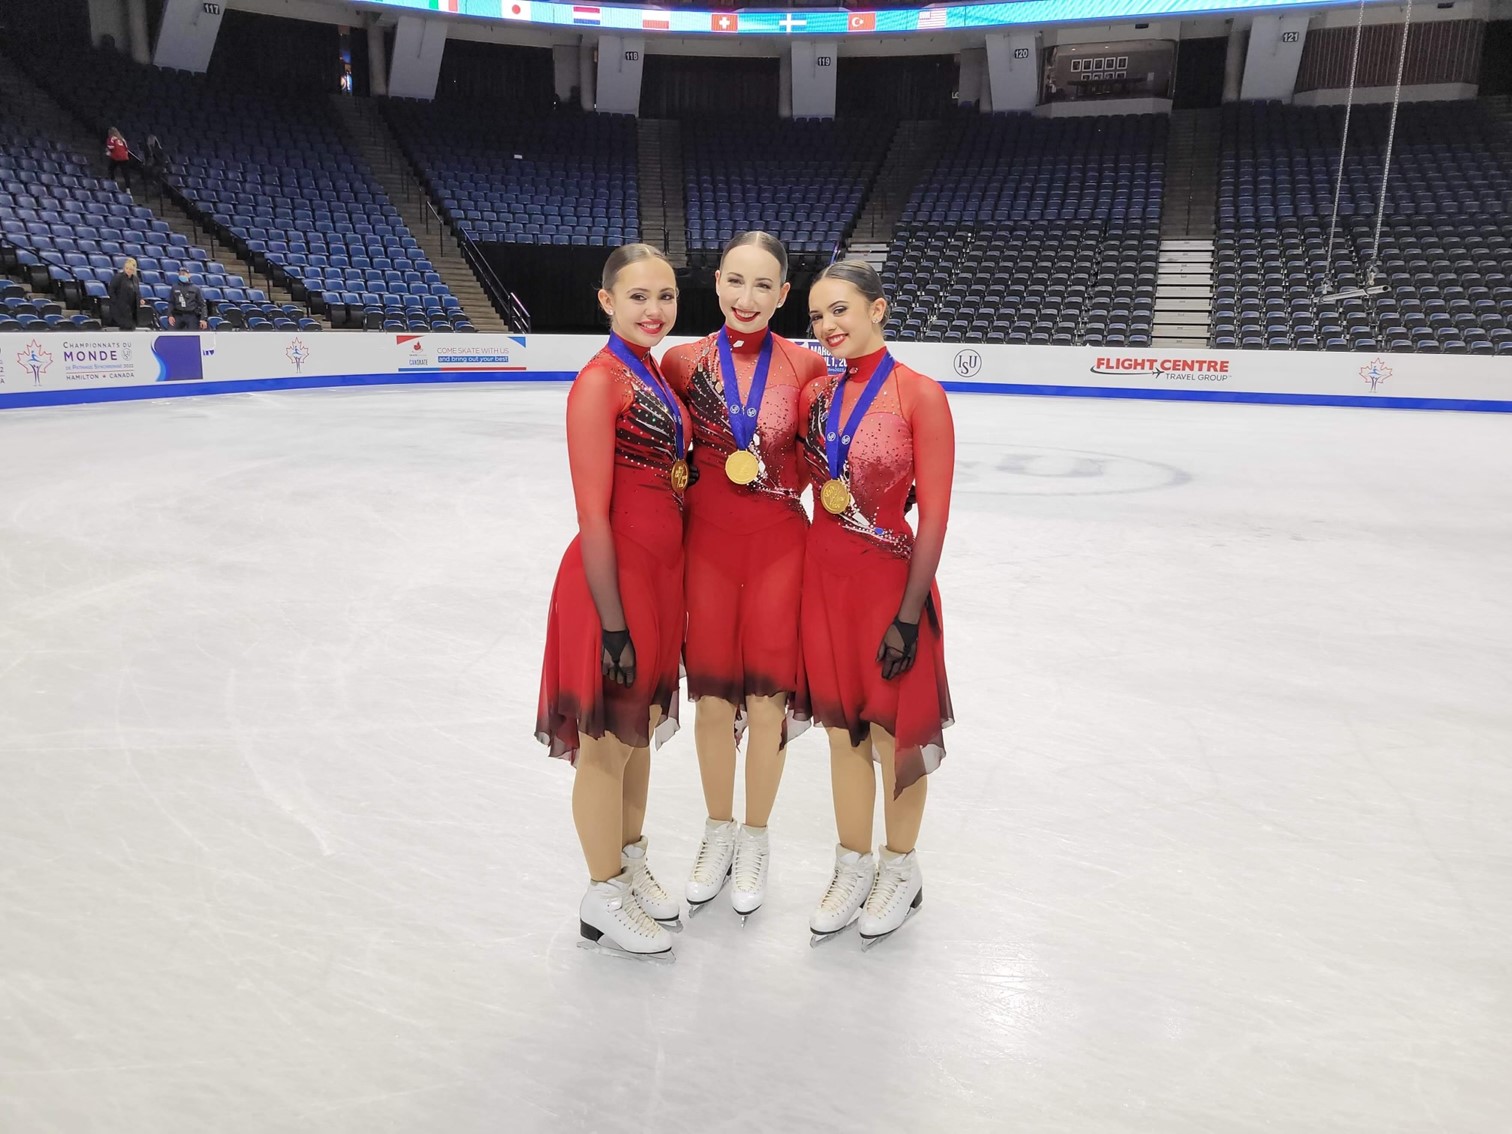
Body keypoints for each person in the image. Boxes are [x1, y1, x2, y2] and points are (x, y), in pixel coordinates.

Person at [661, 232, 827, 922]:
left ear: (785, 294)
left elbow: (834, 456)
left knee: (765, 702)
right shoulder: (681, 362)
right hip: (706, 550)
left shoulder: (808, 367)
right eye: (735, 281)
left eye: (764, 286)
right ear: (717, 281)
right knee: (709, 702)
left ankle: (756, 837)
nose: (746, 298)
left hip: (779, 552)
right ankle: (718, 829)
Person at [535, 243, 692, 959]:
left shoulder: (650, 373)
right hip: (611, 585)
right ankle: (601, 895)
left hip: (657, 581)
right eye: (637, 297)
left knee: (639, 734)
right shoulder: (599, 382)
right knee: (603, 747)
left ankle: (627, 864)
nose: (654, 309)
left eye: (665, 295)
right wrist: (614, 624)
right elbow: (592, 512)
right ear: (606, 301)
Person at [798, 260, 955, 948]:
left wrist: (909, 615)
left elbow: (938, 516)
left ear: (877, 308)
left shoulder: (920, 395)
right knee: (842, 734)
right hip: (825, 582)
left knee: (894, 738)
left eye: (841, 310)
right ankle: (852, 863)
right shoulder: (818, 397)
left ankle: (901, 867)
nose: (829, 326)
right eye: (818, 317)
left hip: (891, 588)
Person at [105, 256, 149, 330]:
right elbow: (111, 290)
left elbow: (137, 291)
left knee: (132, 327)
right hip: (120, 309)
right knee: (125, 327)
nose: (128, 270)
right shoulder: (118, 277)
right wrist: (116, 302)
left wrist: (140, 299)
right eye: (127, 268)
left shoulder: (135, 279)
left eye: (131, 269)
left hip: (132, 309)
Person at [168, 266, 207, 330]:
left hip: (192, 315)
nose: (182, 275)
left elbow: (202, 304)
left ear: (189, 275)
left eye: (184, 274)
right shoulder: (174, 287)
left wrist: (203, 319)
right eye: (180, 274)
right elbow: (171, 302)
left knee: (192, 335)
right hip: (178, 315)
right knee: (172, 334)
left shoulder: (196, 288)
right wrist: (170, 315)